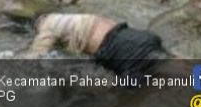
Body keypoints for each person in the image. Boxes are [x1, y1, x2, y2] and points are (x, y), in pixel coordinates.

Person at [28, 13, 174, 76]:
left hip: (118, 49)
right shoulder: (72, 17)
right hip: (136, 35)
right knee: (171, 63)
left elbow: (33, 60)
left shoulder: (47, 27)